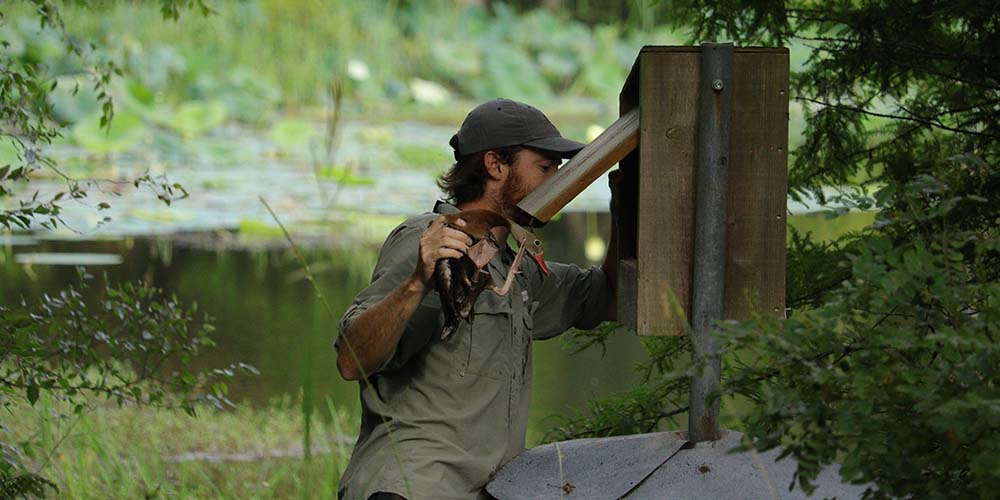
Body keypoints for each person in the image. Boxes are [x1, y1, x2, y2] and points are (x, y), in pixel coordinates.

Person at [335, 98, 618, 500]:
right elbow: (351, 360)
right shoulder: (427, 240)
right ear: (495, 165)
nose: (557, 180)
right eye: (544, 167)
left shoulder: (517, 272)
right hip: (411, 490)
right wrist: (419, 280)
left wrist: (625, 198)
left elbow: (608, 296)